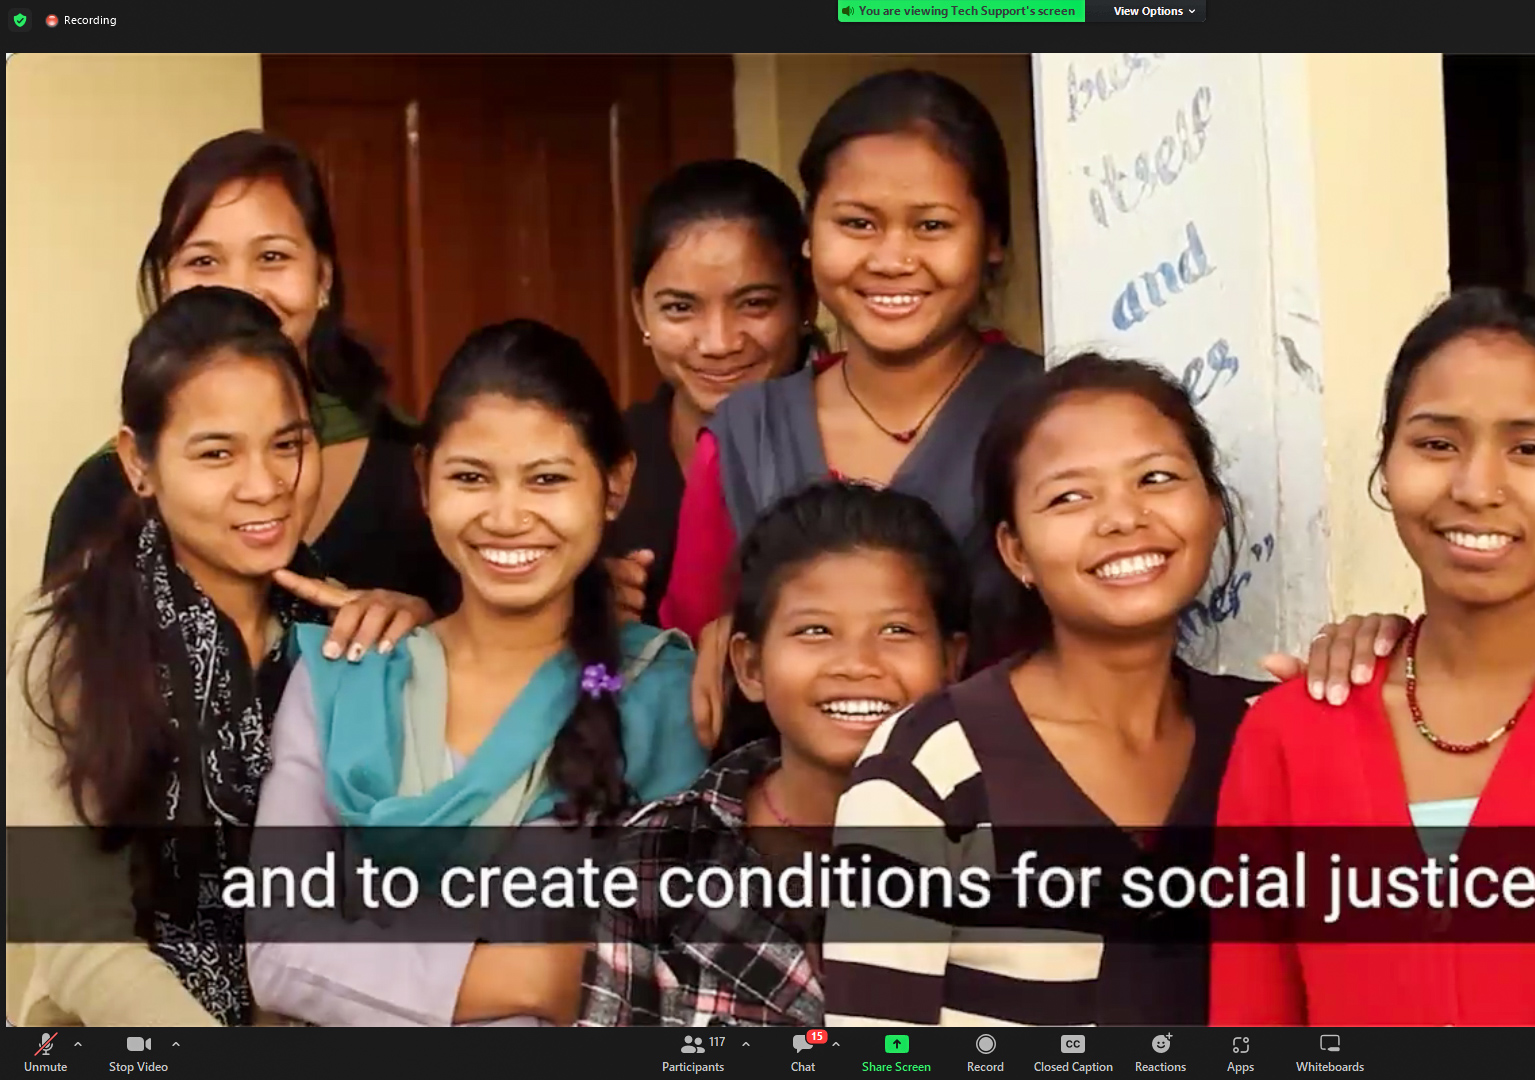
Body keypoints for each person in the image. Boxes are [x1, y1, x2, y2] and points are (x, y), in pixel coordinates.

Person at [1212, 288, 1535, 1026]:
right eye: (1436, 443)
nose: (1477, 487)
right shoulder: (1290, 739)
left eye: (1531, 448)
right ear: (1385, 465)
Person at [246, 320, 708, 1027]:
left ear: (614, 486)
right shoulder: (345, 676)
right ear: (424, 481)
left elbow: (670, 968)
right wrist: (532, 978)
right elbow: (278, 952)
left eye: (548, 479)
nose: (507, 516)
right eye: (470, 477)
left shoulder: (651, 692)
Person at [6, 288, 429, 1027]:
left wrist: (427, 633)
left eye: (288, 444)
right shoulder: (66, 639)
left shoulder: (344, 627)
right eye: (216, 453)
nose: (264, 486)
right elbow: (82, 947)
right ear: (139, 462)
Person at [823, 355, 1272, 1027]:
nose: (1123, 518)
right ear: (1015, 551)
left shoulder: (1266, 734)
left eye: (1156, 478)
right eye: (1069, 496)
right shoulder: (933, 762)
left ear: (1212, 510)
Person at [655, 69, 1044, 735]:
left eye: (931, 225)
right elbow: (686, 659)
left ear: (993, 241)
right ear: (808, 237)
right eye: (857, 223)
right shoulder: (746, 436)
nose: (891, 258)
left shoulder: (1049, 417)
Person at [581, 482, 971, 1027]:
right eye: (815, 630)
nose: (857, 663)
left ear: (952, 662)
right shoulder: (660, 851)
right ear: (750, 667)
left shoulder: (1008, 846)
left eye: (896, 630)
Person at [43, 131, 455, 619]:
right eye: (204, 261)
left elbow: (483, 652)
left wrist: (427, 633)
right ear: (164, 284)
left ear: (322, 278)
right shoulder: (103, 493)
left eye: (273, 256)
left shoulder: (413, 470)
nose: (239, 287)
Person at [605, 159, 821, 625]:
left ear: (807, 301)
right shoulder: (595, 461)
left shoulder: (852, 443)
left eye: (754, 304)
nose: (719, 343)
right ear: (641, 313)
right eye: (681, 308)